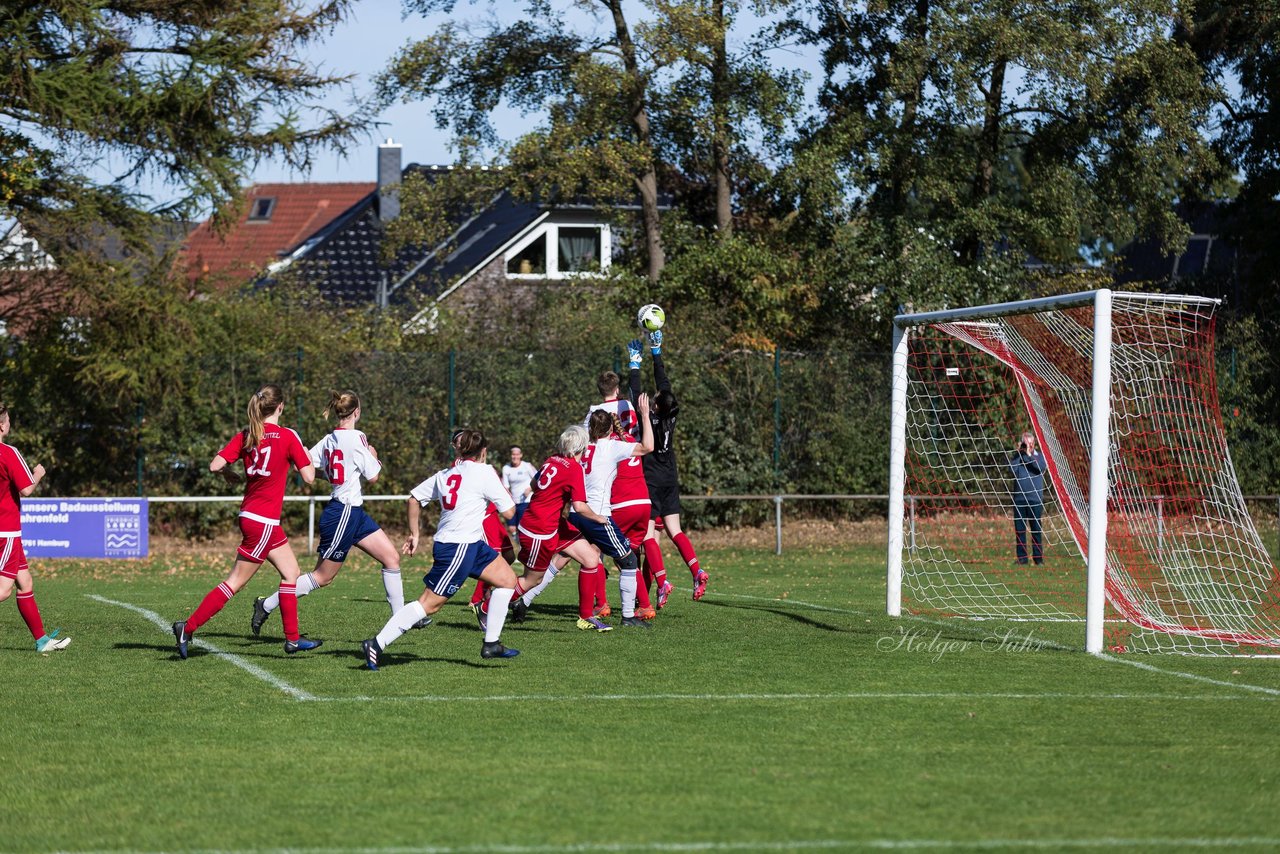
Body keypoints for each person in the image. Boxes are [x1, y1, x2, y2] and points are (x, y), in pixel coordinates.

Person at [173, 384, 321, 659]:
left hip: (254, 517)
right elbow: (310, 477)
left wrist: (229, 473)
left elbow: (215, 465)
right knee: (234, 583)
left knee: (291, 573)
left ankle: (293, 639)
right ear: (281, 407)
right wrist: (304, 452)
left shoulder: (248, 434)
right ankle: (188, 627)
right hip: (263, 520)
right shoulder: (288, 436)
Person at [251, 390, 415, 635]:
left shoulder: (329, 439)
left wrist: (326, 472)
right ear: (357, 412)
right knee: (322, 577)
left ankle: (401, 620)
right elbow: (374, 476)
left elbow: (304, 465)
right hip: (342, 513)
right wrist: (374, 457)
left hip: (354, 513)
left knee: (391, 558)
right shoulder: (358, 437)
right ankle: (266, 604)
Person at [360, 428, 520, 669]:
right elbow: (509, 512)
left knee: (508, 580)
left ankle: (492, 643)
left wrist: (414, 534)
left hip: (471, 544)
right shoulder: (486, 472)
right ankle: (376, 643)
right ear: (483, 452)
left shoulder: (446, 474)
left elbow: (413, 498)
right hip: (458, 547)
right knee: (429, 604)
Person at [508, 424, 619, 631]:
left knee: (591, 558)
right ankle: (488, 606)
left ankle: (586, 617)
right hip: (539, 528)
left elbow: (534, 484)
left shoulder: (552, 459)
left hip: (553, 522)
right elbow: (579, 507)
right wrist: (599, 518)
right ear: (582, 447)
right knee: (532, 580)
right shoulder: (574, 468)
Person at [563, 396, 654, 628]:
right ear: (610, 428)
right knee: (629, 559)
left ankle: (524, 600)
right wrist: (644, 414)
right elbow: (648, 447)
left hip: (576, 512)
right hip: (598, 515)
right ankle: (628, 616)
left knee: (563, 558)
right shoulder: (612, 446)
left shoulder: (582, 448)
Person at [635, 329, 709, 602]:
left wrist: (635, 365)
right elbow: (663, 384)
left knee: (647, 537)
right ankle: (697, 570)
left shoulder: (649, 418)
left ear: (654, 406)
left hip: (651, 478)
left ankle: (663, 582)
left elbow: (636, 393)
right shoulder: (670, 414)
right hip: (670, 475)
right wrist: (656, 352)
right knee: (674, 530)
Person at [0, 403, 69, 652]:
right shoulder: (8, 452)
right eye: (8, 420)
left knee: (25, 583)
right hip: (5, 531)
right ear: (2, 425)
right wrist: (38, 473)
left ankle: (42, 641)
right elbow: (27, 489)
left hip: (10, 534)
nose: (9, 424)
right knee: (4, 590)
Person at [1010, 430, 1047, 565]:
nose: (1028, 446)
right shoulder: (1018, 457)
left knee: (1036, 530)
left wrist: (1029, 455)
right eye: (1026, 444)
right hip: (1019, 500)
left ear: (1034, 443)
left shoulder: (1039, 457)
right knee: (1020, 531)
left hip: (1035, 500)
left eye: (1030, 444)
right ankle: (1022, 559)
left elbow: (1040, 468)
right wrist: (1019, 453)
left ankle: (1038, 560)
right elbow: (1011, 469)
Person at [501, 446, 538, 536]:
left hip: (526, 501)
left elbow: (538, 479)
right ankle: (517, 543)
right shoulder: (506, 468)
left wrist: (530, 489)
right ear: (510, 455)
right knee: (511, 527)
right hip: (513, 501)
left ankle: (522, 545)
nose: (515, 457)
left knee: (522, 526)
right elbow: (506, 486)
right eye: (513, 454)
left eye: (517, 454)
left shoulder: (527, 466)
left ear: (521, 455)